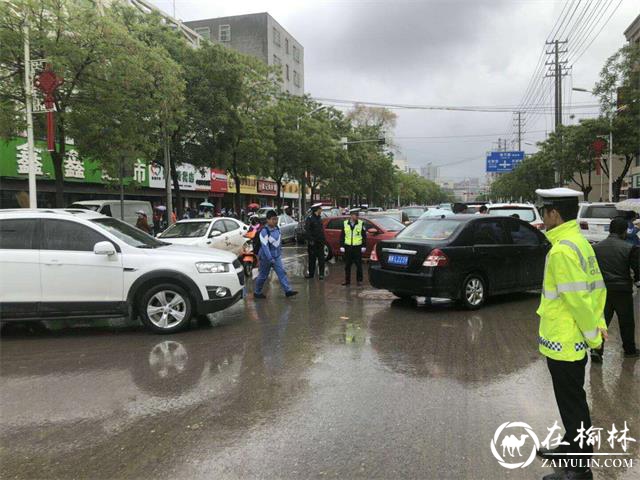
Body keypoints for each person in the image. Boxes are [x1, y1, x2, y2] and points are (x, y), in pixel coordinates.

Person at [535, 188, 607, 480]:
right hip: (572, 337)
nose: (542, 219)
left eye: (543, 213)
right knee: (571, 400)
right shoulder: (580, 243)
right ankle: (569, 445)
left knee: (572, 403)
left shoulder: (562, 249)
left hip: (566, 340)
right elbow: (596, 290)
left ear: (554, 213)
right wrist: (598, 325)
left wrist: (594, 337)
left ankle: (579, 467)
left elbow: (577, 299)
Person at [592, 216, 640, 360]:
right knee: (626, 321)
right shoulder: (630, 248)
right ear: (624, 231)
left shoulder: (596, 247)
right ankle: (629, 350)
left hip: (602, 290)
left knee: (602, 321)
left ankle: (597, 350)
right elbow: (637, 269)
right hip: (622, 290)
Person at [254, 210, 298, 299]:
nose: (275, 221)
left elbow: (279, 242)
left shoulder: (277, 228)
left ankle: (288, 291)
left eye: (276, 219)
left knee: (281, 273)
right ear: (268, 220)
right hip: (266, 258)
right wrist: (270, 258)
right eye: (273, 219)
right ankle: (257, 292)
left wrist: (279, 254)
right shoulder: (264, 231)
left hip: (276, 256)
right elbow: (265, 247)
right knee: (263, 276)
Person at [339, 208, 368, 286]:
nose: (357, 216)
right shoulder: (345, 223)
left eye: (358, 215)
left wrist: (364, 246)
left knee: (358, 265)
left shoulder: (361, 223)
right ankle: (347, 281)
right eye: (356, 215)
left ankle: (359, 281)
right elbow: (342, 236)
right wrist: (341, 246)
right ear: (351, 215)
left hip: (357, 247)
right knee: (347, 265)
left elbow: (364, 236)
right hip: (348, 247)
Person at [304, 203, 326, 280]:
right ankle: (311, 274)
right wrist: (311, 240)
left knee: (321, 259)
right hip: (313, 243)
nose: (321, 210)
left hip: (320, 242)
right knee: (312, 259)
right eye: (320, 208)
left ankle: (321, 274)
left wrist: (323, 240)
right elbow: (308, 231)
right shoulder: (309, 219)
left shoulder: (320, 218)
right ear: (316, 210)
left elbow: (321, 231)